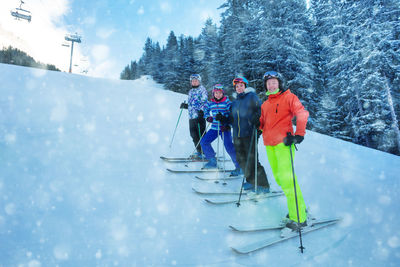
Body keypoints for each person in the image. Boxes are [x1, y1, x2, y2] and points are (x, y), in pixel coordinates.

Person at [259, 70, 309, 230]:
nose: (271, 85)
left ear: (279, 83)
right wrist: (257, 124)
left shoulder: (289, 97)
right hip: (269, 145)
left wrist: (299, 134)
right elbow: (262, 123)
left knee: (287, 180)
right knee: (280, 178)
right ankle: (299, 207)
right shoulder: (265, 104)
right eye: (268, 83)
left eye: (274, 82)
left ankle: (299, 218)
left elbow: (302, 113)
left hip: (284, 144)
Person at [230, 76, 270, 193]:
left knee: (252, 159)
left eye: (241, 85)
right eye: (237, 86)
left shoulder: (251, 97)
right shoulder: (235, 102)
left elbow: (261, 111)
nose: (239, 88)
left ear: (245, 86)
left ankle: (263, 185)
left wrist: (257, 120)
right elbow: (232, 118)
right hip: (237, 134)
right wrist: (223, 119)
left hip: (249, 133)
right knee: (241, 159)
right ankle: (251, 181)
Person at [200, 84, 242, 176]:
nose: (218, 95)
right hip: (214, 128)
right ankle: (212, 160)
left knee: (229, 147)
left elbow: (232, 115)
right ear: (213, 93)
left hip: (224, 128)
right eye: (216, 93)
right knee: (204, 142)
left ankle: (239, 166)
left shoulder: (227, 102)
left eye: (220, 93)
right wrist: (208, 117)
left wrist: (227, 124)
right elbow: (205, 110)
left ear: (223, 93)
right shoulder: (210, 103)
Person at [180, 74, 208, 158]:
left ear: (199, 81)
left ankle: (206, 152)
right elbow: (192, 104)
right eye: (192, 81)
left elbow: (204, 102)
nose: (194, 82)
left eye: (196, 80)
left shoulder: (202, 90)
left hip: (200, 116)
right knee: (193, 135)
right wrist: (186, 106)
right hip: (191, 117)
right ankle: (199, 151)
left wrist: (201, 112)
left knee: (201, 135)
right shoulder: (191, 91)